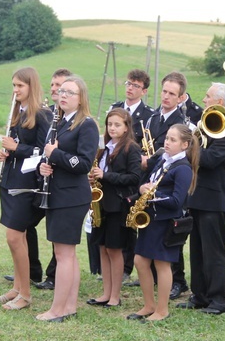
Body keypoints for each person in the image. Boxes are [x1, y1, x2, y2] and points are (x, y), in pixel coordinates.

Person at [36, 76, 100, 321]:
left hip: (71, 196)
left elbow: (83, 163)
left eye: (69, 92)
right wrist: (45, 165)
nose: (62, 95)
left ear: (81, 98)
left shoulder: (87, 125)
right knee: (67, 254)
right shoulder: (61, 123)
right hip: (58, 192)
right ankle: (69, 306)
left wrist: (56, 154)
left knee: (63, 254)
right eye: (61, 91)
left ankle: (56, 310)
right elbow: (52, 157)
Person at [176, 83, 225, 315]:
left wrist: (188, 148)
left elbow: (211, 160)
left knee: (214, 251)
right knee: (198, 249)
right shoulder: (203, 127)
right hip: (197, 195)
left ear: (220, 103)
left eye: (208, 96)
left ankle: (220, 301)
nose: (203, 100)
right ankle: (200, 295)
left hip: (214, 198)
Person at [0, 67, 51, 310]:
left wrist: (16, 148)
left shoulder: (42, 114)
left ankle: (25, 295)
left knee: (14, 237)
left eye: (20, 86)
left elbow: (42, 152)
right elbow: (17, 148)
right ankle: (17, 287)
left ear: (32, 87)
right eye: (14, 85)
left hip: (26, 185)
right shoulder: (18, 112)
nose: (15, 90)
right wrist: (7, 153)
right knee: (17, 238)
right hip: (10, 180)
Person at [129, 124, 199, 322]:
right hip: (151, 219)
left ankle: (162, 309)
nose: (167, 142)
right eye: (167, 138)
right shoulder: (163, 160)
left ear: (185, 144)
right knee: (140, 261)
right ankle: (149, 304)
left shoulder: (183, 168)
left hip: (166, 222)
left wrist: (151, 193)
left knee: (162, 264)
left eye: (173, 140)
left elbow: (177, 201)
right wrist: (140, 192)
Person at [85, 108, 141, 308]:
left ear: (126, 127)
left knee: (114, 250)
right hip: (102, 204)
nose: (113, 128)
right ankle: (105, 293)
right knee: (102, 248)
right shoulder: (105, 148)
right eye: (110, 124)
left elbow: (134, 178)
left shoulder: (131, 148)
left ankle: (115, 296)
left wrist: (105, 175)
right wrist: (94, 177)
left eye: (118, 124)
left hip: (118, 206)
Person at [143, 72, 190, 300]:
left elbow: (165, 151)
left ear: (181, 98)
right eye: (164, 91)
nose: (166, 97)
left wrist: (149, 160)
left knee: (170, 244)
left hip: (167, 179)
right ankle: (155, 276)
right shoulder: (153, 117)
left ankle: (177, 280)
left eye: (172, 94)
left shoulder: (179, 122)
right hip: (154, 172)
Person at [26, 68, 72, 291]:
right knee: (26, 224)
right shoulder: (48, 113)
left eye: (61, 86)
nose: (55, 90)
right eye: (53, 85)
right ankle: (32, 269)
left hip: (62, 185)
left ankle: (54, 275)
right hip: (42, 180)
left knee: (59, 236)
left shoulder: (73, 119)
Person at [110, 69, 155, 284]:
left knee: (131, 222)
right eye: (128, 83)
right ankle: (122, 267)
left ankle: (130, 266)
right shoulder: (115, 108)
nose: (130, 87)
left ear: (144, 91)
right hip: (115, 170)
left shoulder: (148, 114)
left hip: (137, 173)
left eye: (136, 85)